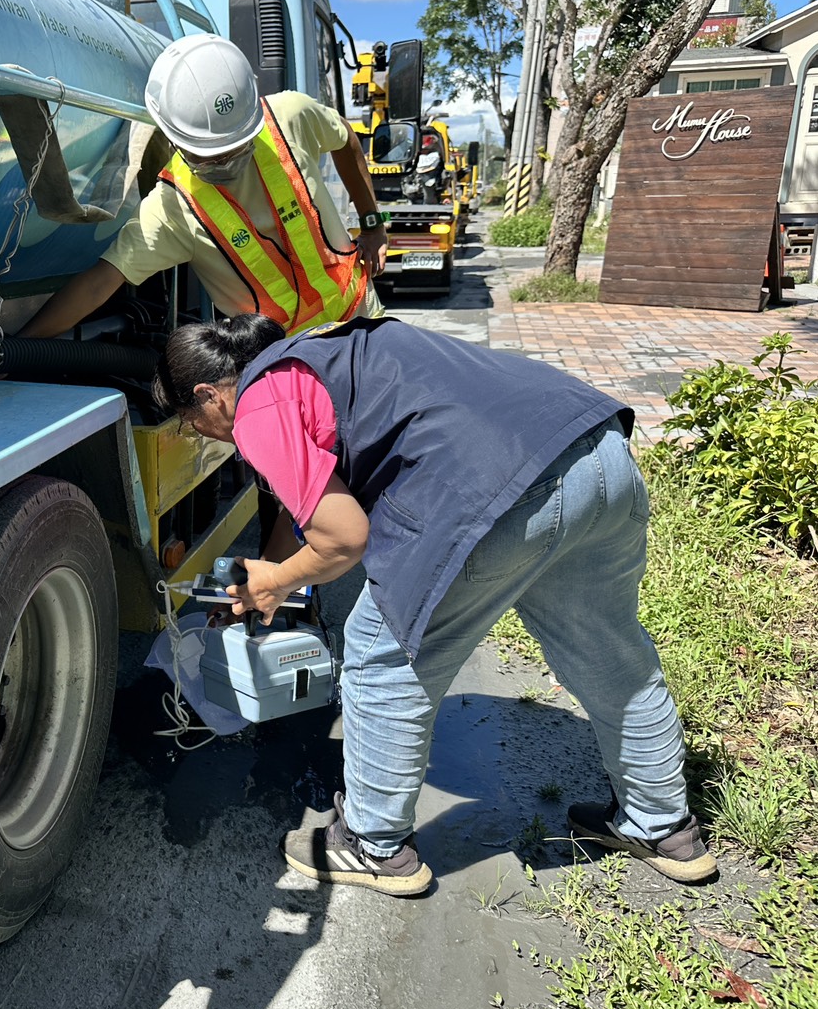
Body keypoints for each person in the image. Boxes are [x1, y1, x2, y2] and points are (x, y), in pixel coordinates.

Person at [151, 313, 717, 896]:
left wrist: (277, 584)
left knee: (381, 661)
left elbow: (343, 539)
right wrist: (273, 573)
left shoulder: (257, 408)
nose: (204, 434)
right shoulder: (323, 352)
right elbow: (312, 512)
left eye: (193, 423)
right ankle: (663, 826)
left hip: (495, 489)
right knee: (610, 655)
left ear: (209, 395)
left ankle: (374, 846)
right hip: (598, 452)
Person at [20, 34, 389, 339]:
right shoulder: (172, 207)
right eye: (208, 155)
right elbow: (100, 283)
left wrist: (373, 225)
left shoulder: (290, 116)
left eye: (235, 148)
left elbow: (345, 138)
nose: (224, 162)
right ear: (172, 137)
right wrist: (18, 347)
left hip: (362, 324)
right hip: (285, 369)